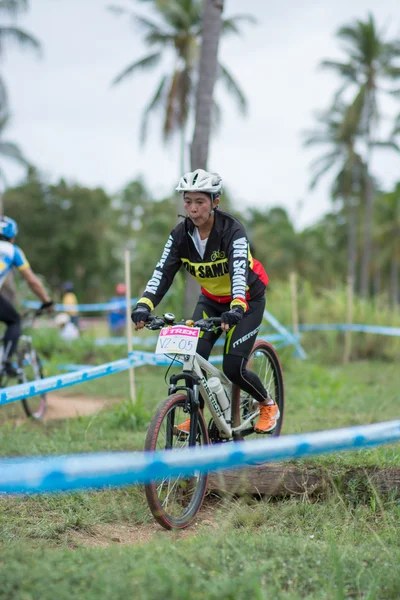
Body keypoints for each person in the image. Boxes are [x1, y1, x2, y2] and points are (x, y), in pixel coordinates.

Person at [131, 169, 279, 434]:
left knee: (233, 367)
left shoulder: (232, 231)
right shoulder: (180, 236)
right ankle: (196, 415)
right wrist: (145, 305)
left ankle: (267, 403)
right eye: (188, 201)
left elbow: (237, 271)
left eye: (200, 202)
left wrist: (236, 307)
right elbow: (162, 272)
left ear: (215, 202)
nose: (193, 208)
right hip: (211, 300)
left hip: (246, 299)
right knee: (192, 358)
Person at [0, 216, 53, 376]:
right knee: (14, 320)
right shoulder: (13, 250)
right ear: (12, 236)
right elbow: (32, 281)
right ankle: (6, 363)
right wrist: (47, 301)